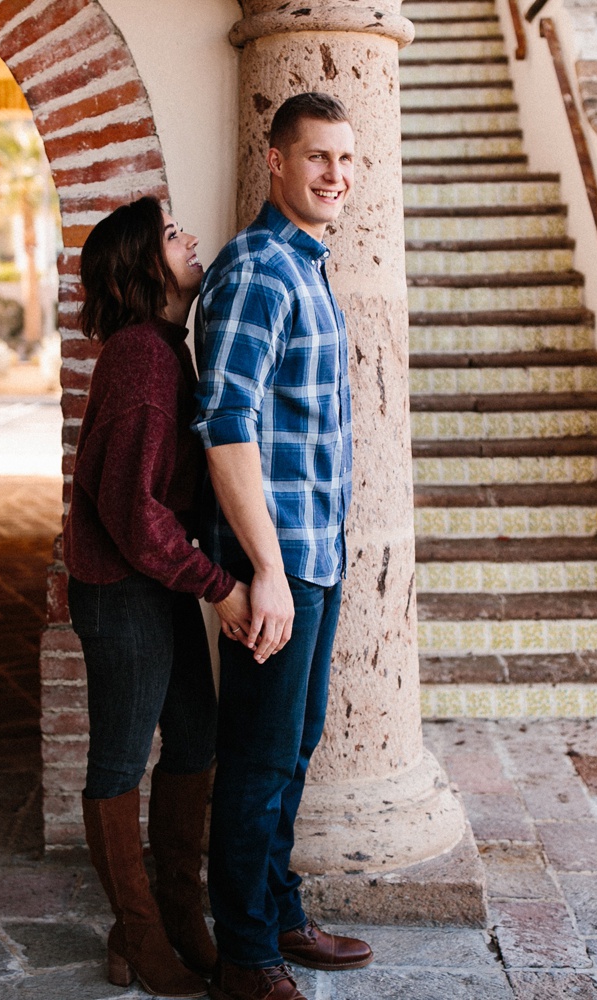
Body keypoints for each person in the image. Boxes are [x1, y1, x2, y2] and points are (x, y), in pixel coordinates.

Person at [192, 92, 374, 1000]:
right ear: (276, 160)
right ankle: (245, 956)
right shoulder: (260, 269)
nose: (335, 175)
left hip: (316, 557)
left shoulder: (307, 265)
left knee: (292, 750)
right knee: (258, 762)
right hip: (279, 563)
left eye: (346, 159)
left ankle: (277, 911)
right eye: (317, 157)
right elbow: (225, 425)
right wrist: (264, 570)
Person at [62, 196, 253, 999]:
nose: (190, 239)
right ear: (143, 266)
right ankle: (138, 935)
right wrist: (220, 587)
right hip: (122, 591)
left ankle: (177, 910)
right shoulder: (142, 357)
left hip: (155, 581)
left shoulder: (163, 349)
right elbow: (134, 512)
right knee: (118, 759)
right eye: (172, 235)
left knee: (196, 738)